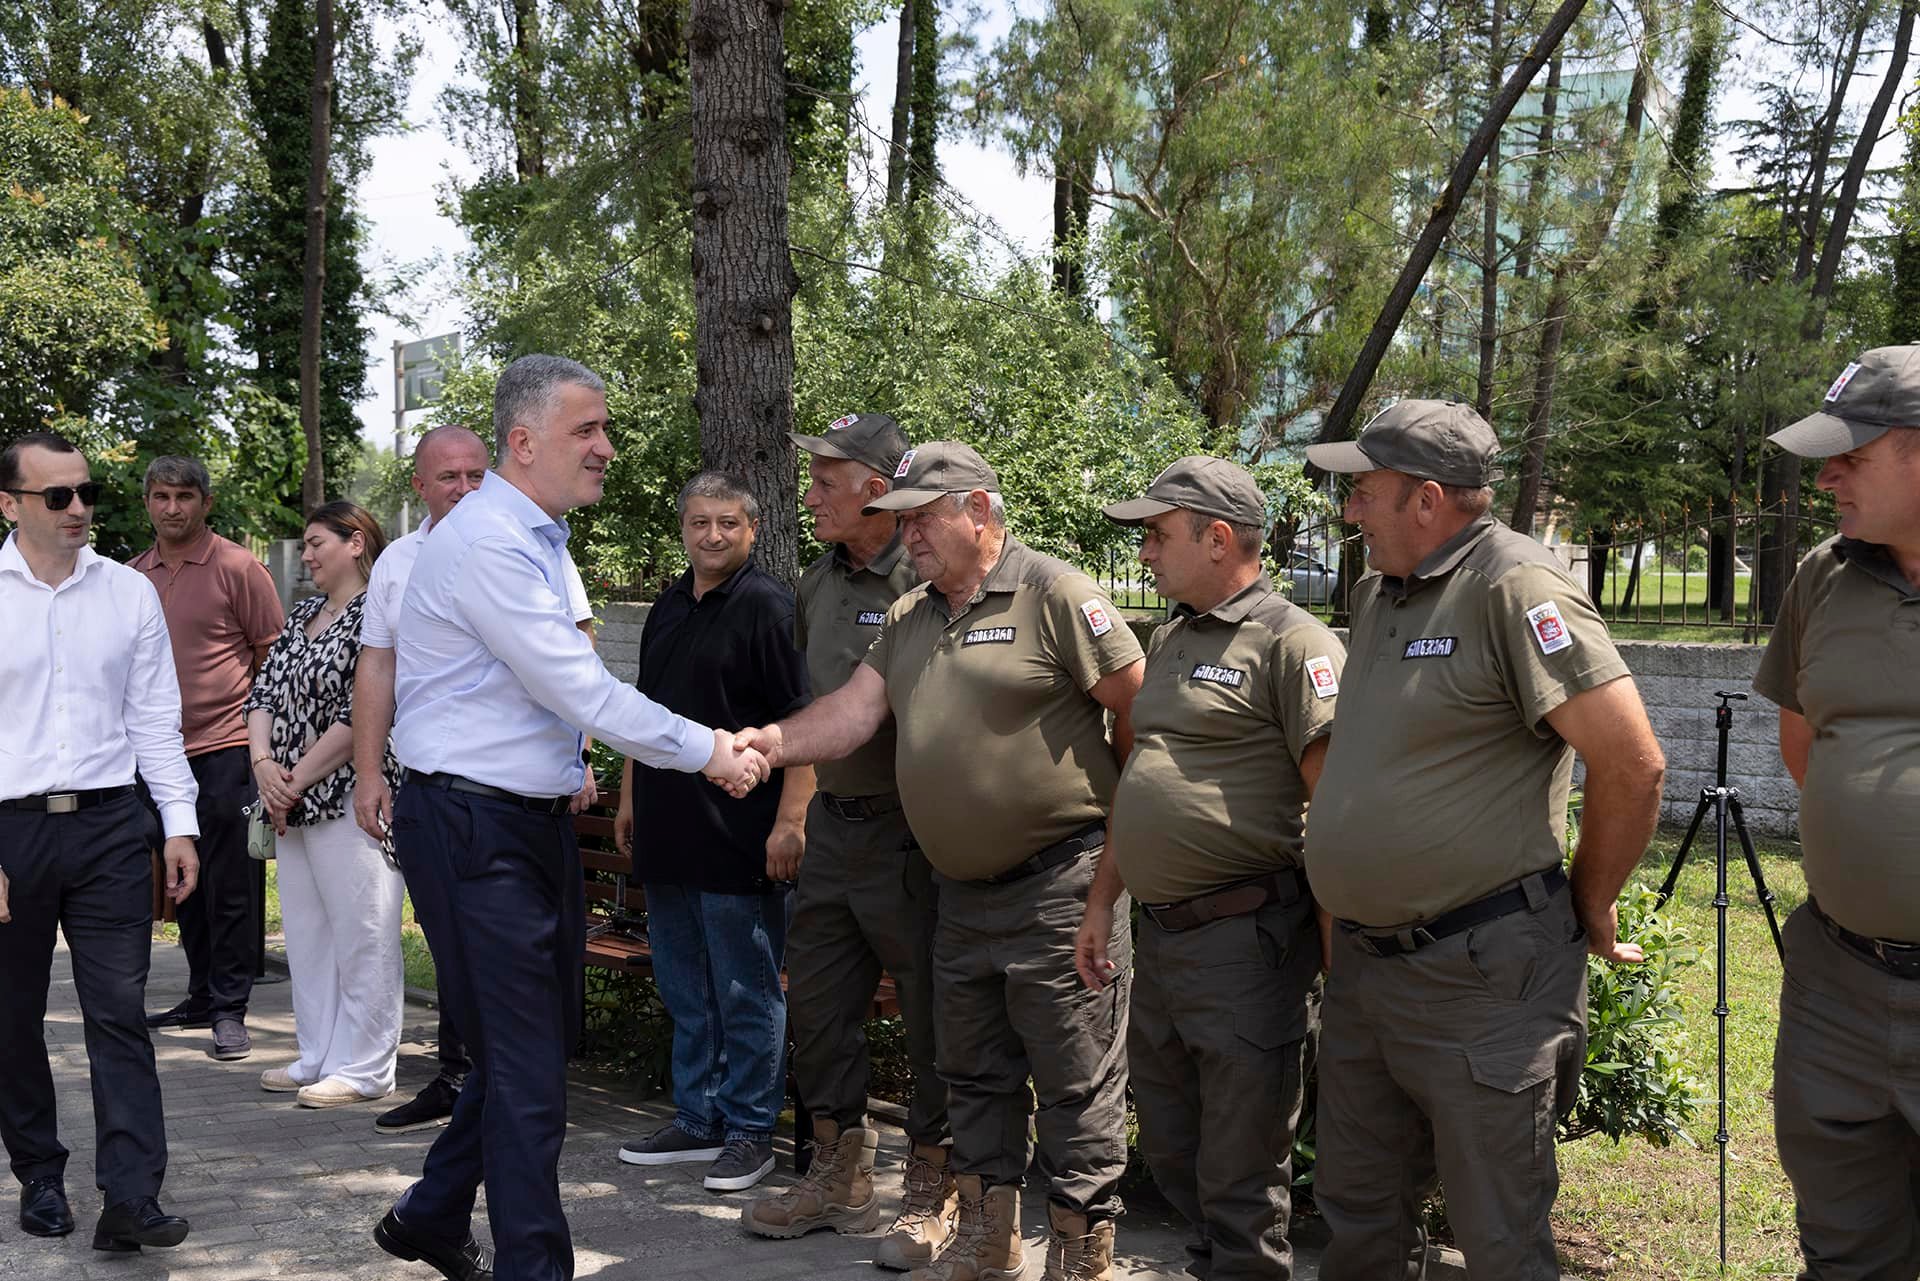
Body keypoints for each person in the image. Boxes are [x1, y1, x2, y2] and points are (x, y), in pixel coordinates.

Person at [376, 354, 765, 1281]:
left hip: (521, 826)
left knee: (528, 1055)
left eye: (603, 428)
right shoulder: (489, 543)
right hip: (475, 829)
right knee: (527, 1072)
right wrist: (712, 749)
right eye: (587, 430)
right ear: (524, 440)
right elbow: (580, 689)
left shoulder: (536, 536)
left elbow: (566, 692)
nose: (606, 448)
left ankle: (432, 1213)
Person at [737, 441, 1144, 1281]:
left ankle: (1081, 1255)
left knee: (1075, 1081)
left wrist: (1116, 860)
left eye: (923, 517)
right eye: (904, 518)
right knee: (974, 1074)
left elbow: (1139, 709)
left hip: (1059, 884)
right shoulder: (911, 615)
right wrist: (767, 743)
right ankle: (991, 1238)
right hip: (958, 890)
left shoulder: (1055, 593)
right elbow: (850, 716)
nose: (908, 533)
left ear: (979, 511)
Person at [1301, 400, 1665, 1280]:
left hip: (1479, 977)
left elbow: (1632, 763)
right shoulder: (1378, 593)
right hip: (1368, 973)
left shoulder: (1516, 586)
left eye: (1365, 490)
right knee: (1357, 1214)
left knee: (1498, 1233)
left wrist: (1591, 900)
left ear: (1426, 499)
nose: (1350, 509)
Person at [1078, 456, 1343, 1281]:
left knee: (1241, 1163)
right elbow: (1142, 779)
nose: (1146, 552)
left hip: (1246, 939)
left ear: (1219, 537)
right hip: (1162, 938)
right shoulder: (1170, 638)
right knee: (1171, 1143)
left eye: (1159, 535)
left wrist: (1339, 956)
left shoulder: (1293, 642)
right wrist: (1102, 902)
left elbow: (1336, 808)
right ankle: (1214, 1262)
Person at [742, 413, 956, 1269]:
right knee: (820, 1006)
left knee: (938, 1019)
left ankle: (937, 1188)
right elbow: (817, 709)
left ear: (876, 489)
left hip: (914, 834)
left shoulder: (929, 577)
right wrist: (793, 813)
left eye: (825, 482)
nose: (810, 496)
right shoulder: (816, 584)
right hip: (834, 826)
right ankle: (839, 1176)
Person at [350, 424, 601, 1137]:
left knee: (517, 989)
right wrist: (368, 772)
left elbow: (576, 649)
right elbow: (377, 665)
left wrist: (579, 752)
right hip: (440, 792)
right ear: (419, 487)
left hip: (522, 795)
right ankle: (462, 1085)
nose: (463, 488)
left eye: (474, 474)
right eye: (447, 477)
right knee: (458, 956)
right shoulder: (399, 562)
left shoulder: (537, 542)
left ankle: (484, 1118)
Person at [0, 431, 200, 1253]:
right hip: (9, 829)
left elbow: (154, 720)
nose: (78, 507)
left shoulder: (127, 592)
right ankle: (40, 1174)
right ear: (9, 503)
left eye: (86, 492)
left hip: (111, 825)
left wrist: (179, 823)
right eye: (58, 495)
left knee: (119, 1010)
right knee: (12, 1015)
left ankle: (132, 1195)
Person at [1752, 344, 1920, 1280]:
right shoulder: (1821, 576)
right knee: (1845, 1248)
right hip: (1839, 987)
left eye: (1851, 456)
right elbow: (1804, 744)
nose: (1826, 478)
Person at [613, 471, 813, 1194]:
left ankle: (751, 1131)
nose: (713, 535)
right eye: (700, 522)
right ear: (683, 529)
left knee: (744, 989)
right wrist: (630, 797)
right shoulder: (668, 604)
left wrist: (791, 819)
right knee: (686, 987)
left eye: (728, 522)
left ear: (753, 530)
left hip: (739, 834)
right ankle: (697, 1119)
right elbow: (643, 715)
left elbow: (803, 724)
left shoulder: (769, 608)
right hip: (668, 829)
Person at [242, 501, 405, 1110]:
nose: (306, 555)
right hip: (290, 802)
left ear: (355, 542)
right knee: (308, 936)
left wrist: (293, 779)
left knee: (364, 933)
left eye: (316, 543)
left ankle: (366, 1067)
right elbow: (263, 693)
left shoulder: (379, 614)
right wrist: (264, 766)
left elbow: (364, 712)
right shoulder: (304, 614)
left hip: (350, 797)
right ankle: (318, 1054)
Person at [134, 455, 286, 1062]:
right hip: (157, 756)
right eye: (161, 496)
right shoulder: (131, 576)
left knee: (231, 884)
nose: (172, 508)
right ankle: (200, 996)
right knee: (183, 881)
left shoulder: (238, 567)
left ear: (206, 502)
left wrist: (264, 748)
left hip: (228, 747)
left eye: (185, 496)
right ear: (147, 502)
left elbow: (273, 658)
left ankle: (230, 1009)